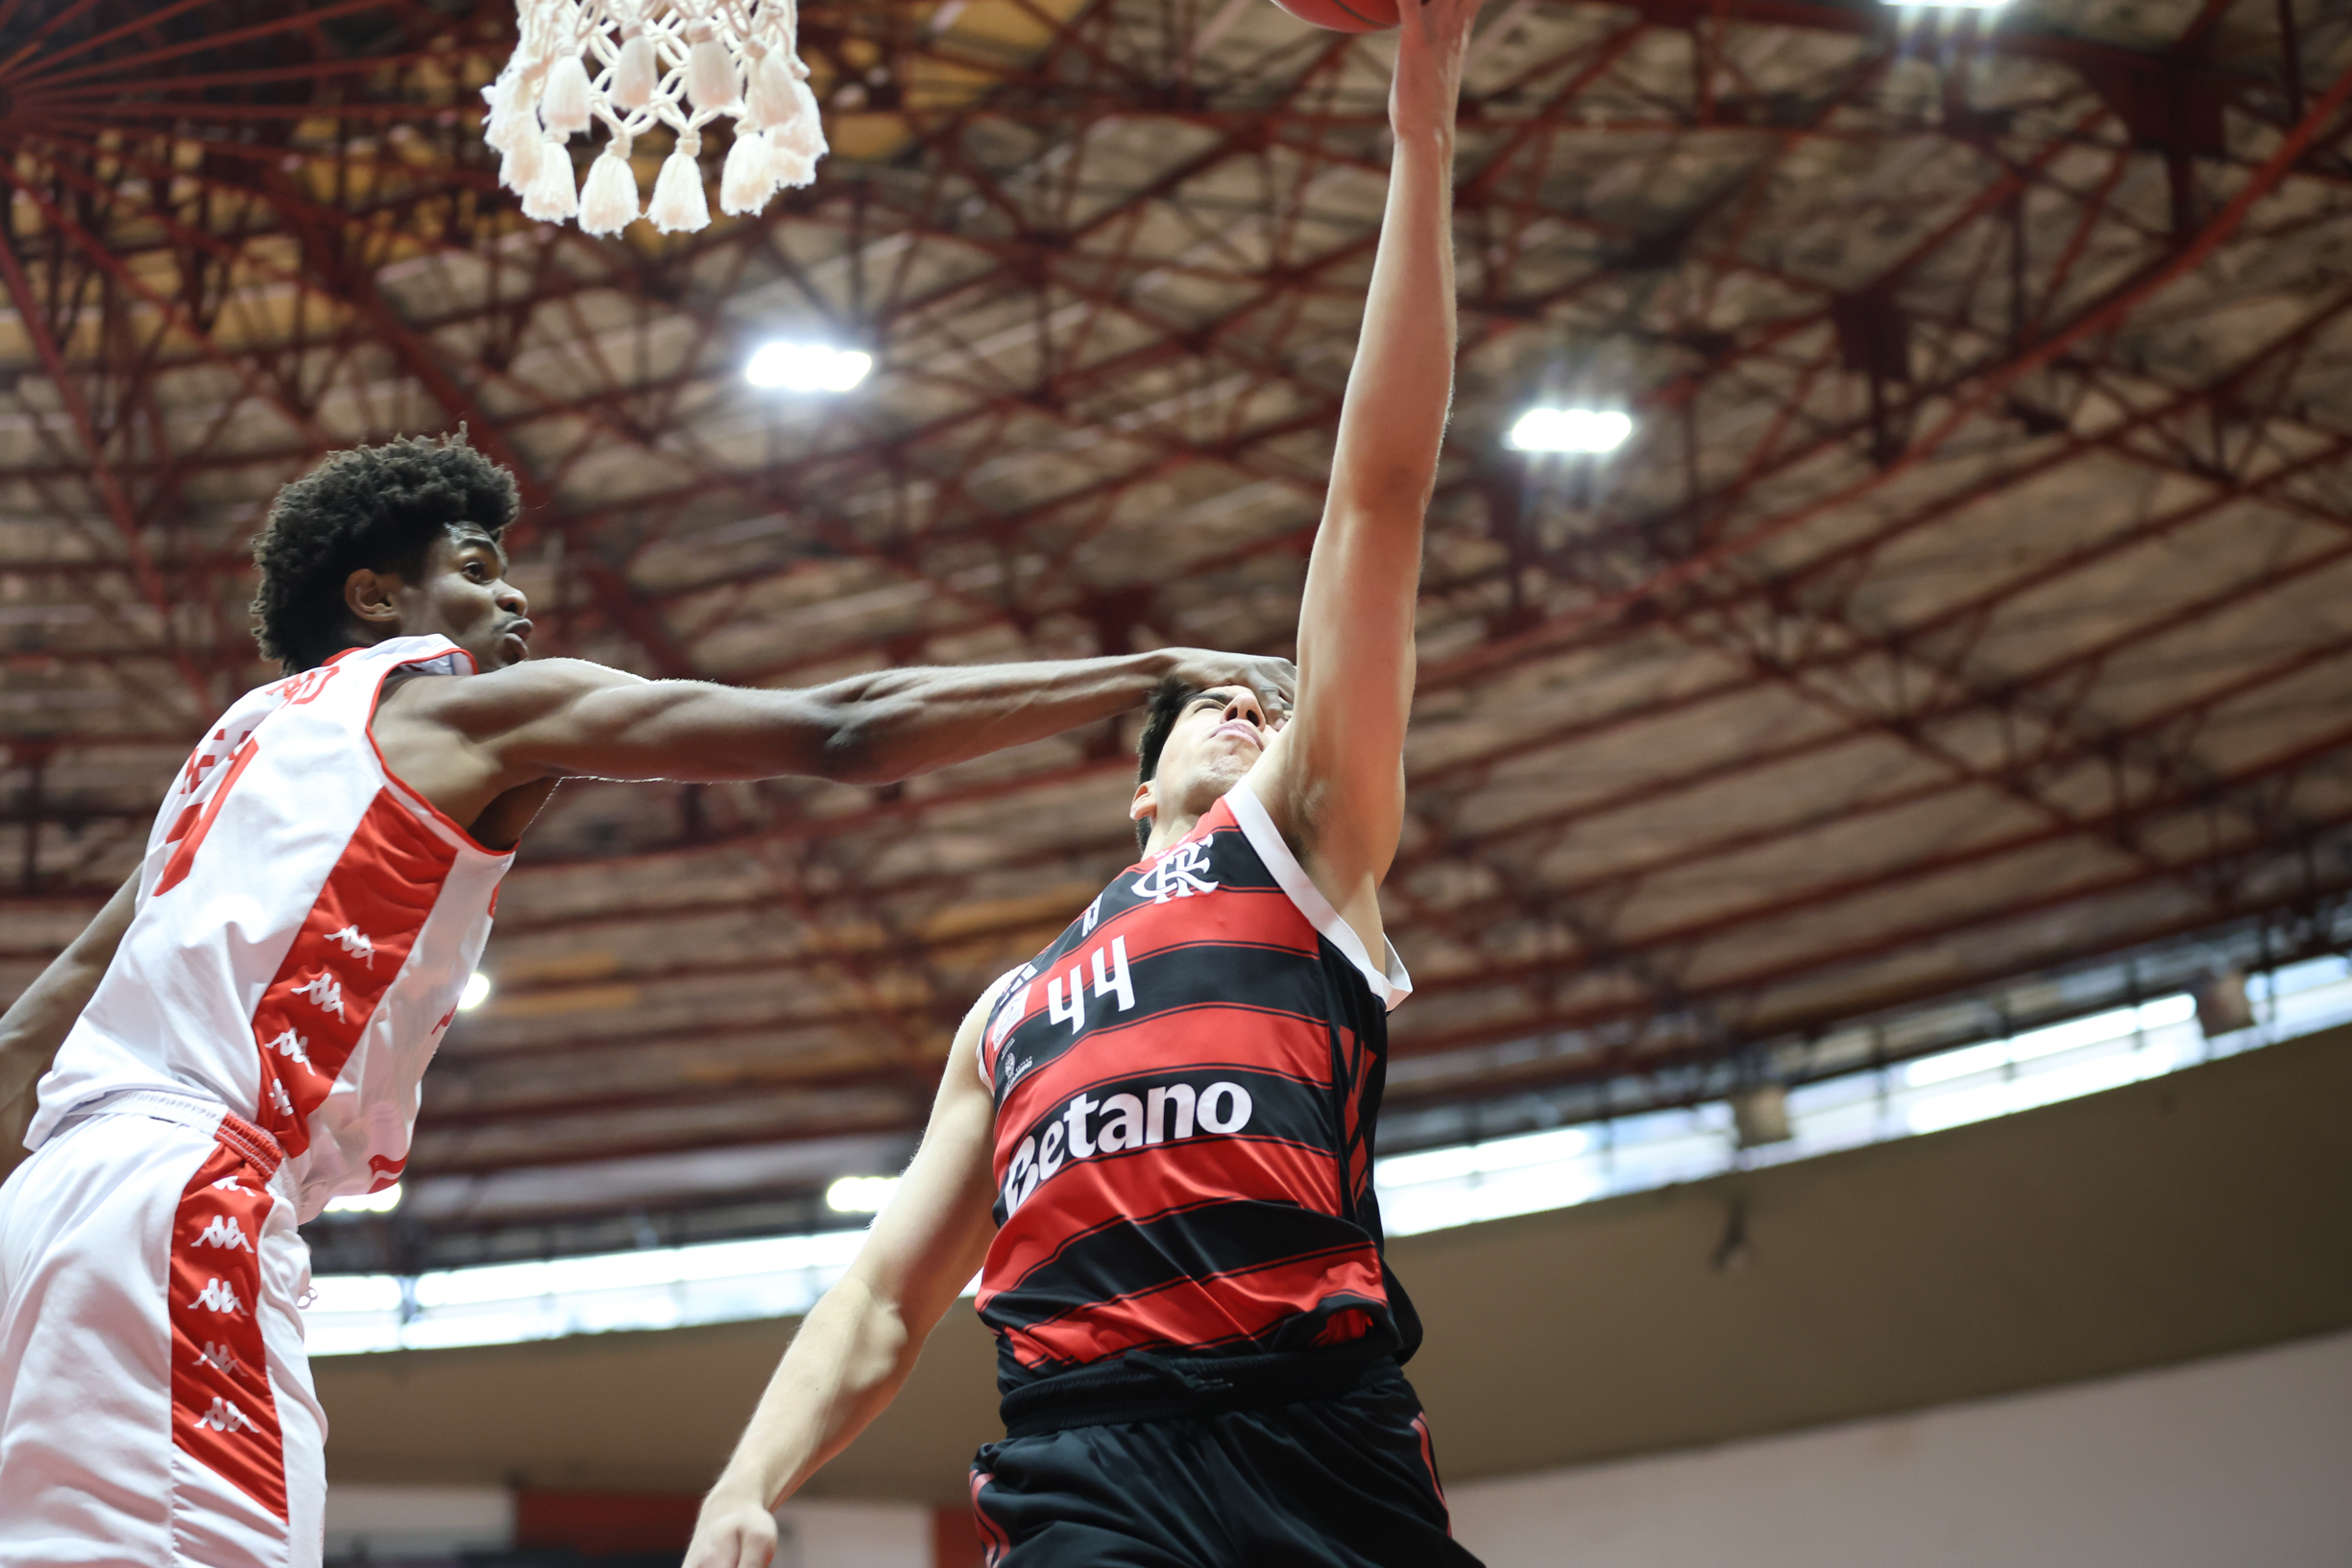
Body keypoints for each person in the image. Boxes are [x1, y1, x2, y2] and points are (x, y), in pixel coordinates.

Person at [0, 431, 1291, 1568]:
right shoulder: (459, 709)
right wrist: (1149, 668)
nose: (511, 593)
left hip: (50, 1206)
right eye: (474, 565)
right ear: (376, 595)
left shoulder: (227, 751)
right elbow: (841, 728)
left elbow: (35, 1023)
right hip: (190, 1197)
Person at [686, 0, 1483, 1560]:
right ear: (1138, 790)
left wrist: (1421, 121)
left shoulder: (1301, 849)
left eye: (1272, 702)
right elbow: (886, 1292)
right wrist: (744, 1480)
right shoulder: (1009, 1010)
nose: (1249, 703)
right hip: (1082, 1449)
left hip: (1310, 1425)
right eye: (1211, 702)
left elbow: (1377, 497)